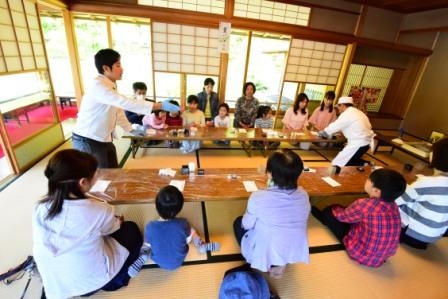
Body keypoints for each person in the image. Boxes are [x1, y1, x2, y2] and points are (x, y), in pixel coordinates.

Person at [33, 149, 143, 298]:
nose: (96, 178)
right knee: (131, 229)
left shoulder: (40, 208)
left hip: (55, 284)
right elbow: (113, 227)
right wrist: (116, 221)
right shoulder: (97, 210)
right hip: (90, 282)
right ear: (83, 182)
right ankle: (117, 279)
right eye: (94, 176)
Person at [72, 48, 179, 168]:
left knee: (113, 172)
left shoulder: (110, 85)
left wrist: (131, 130)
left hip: (104, 138)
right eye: (118, 65)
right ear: (106, 68)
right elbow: (124, 102)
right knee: (99, 177)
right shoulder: (98, 86)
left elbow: (118, 111)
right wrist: (160, 105)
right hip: (88, 139)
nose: (122, 69)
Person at [233, 149, 310, 278]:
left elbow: (246, 225)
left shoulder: (258, 197)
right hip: (292, 249)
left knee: (238, 222)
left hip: (266, 250)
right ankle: (280, 262)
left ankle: (267, 263)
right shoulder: (304, 195)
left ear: (269, 174)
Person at [311, 168, 406, 268]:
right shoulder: (394, 206)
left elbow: (342, 216)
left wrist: (335, 207)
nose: (367, 180)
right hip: (381, 257)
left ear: (376, 191)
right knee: (355, 215)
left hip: (360, 254)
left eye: (369, 179)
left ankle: (324, 218)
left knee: (329, 212)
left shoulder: (364, 204)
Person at [128, 185, 220, 272]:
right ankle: (200, 245)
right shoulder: (183, 223)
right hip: (178, 261)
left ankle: (143, 256)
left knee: (147, 244)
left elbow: (148, 243)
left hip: (160, 262)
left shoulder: (150, 226)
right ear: (179, 209)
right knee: (191, 231)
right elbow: (187, 238)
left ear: (156, 207)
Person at [396, 138, 448, 249]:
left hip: (412, 235)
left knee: (391, 198)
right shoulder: (431, 182)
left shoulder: (427, 182)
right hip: (435, 236)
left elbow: (397, 200)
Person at [319, 96, 374, 168]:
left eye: (338, 106)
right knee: (349, 161)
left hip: (358, 144)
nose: (338, 108)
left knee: (337, 163)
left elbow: (335, 125)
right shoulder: (358, 112)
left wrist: (325, 132)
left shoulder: (347, 114)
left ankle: (368, 166)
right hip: (366, 143)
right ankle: (367, 164)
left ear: (342, 105)